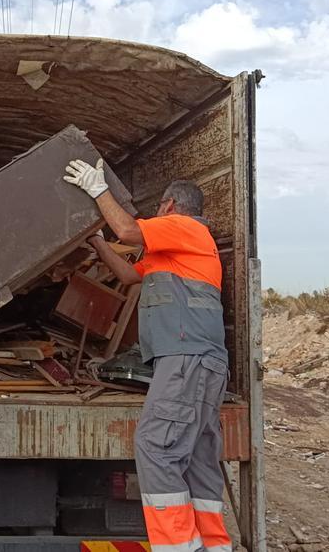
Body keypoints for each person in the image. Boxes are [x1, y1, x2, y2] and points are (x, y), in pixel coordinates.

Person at [63, 158, 232, 552]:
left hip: (186, 359)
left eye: (159, 208)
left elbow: (126, 227)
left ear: (170, 205)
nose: (157, 214)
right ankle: (213, 546)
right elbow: (128, 276)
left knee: (156, 449)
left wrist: (96, 187)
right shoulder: (177, 250)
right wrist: (98, 244)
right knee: (198, 461)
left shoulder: (185, 228)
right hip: (203, 362)